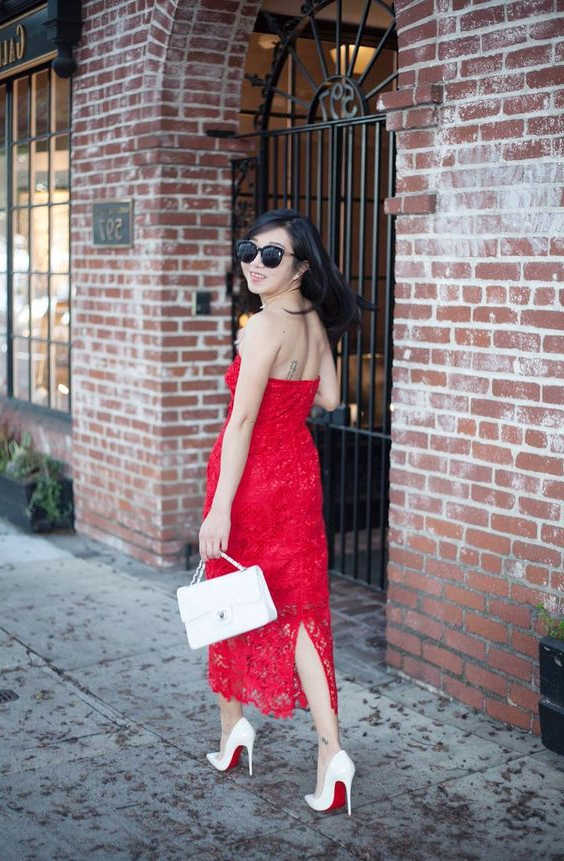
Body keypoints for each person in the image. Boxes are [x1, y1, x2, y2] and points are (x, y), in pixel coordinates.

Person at [199, 208, 360, 815]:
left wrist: (219, 510)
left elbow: (240, 421)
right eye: (249, 250)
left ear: (299, 269)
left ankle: (233, 730)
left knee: (229, 597)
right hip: (297, 474)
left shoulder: (262, 327)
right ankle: (331, 752)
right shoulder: (310, 321)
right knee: (299, 612)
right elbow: (331, 396)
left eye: (272, 256)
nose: (255, 264)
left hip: (251, 483)